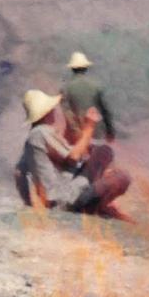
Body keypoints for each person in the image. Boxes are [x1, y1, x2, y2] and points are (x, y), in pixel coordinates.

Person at [15, 89, 132, 222]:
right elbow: (74, 156)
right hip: (68, 198)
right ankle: (101, 206)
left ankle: (101, 203)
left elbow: (19, 173)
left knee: (97, 152)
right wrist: (90, 127)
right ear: (46, 113)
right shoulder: (41, 132)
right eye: (51, 109)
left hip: (56, 199)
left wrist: (28, 203)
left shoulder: (31, 140)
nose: (54, 111)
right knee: (113, 165)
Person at [60, 51, 115, 145]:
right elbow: (105, 110)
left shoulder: (65, 88)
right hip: (96, 132)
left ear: (72, 69)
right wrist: (110, 131)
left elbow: (67, 113)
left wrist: (76, 131)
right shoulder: (96, 85)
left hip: (77, 134)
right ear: (86, 68)